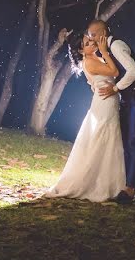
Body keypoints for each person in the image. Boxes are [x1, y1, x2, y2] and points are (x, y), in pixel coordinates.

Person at [45, 33, 125, 202]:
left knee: (107, 139)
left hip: (106, 99)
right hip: (104, 103)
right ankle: (97, 183)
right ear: (81, 50)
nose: (92, 44)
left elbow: (96, 81)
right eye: (88, 44)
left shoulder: (94, 59)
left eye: (91, 41)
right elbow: (115, 71)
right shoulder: (89, 61)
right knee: (103, 139)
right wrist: (104, 51)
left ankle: (111, 182)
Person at [85, 19, 135, 204]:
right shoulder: (104, 51)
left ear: (103, 33)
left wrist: (115, 89)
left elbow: (132, 71)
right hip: (127, 98)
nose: (91, 39)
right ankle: (122, 182)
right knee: (122, 138)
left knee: (133, 140)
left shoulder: (116, 46)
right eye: (89, 35)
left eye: (93, 35)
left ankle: (131, 188)